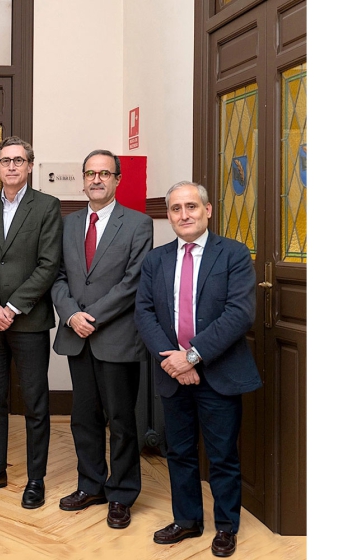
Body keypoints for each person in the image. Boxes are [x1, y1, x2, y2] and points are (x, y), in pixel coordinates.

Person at [135, 181, 262, 558]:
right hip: (172, 373)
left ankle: (226, 526)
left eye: (191, 207)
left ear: (208, 210)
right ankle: (187, 519)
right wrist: (172, 359)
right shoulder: (156, 259)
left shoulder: (234, 254)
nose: (184, 214)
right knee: (180, 451)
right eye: (176, 208)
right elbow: (144, 312)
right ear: (169, 215)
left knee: (222, 455)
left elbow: (239, 314)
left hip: (219, 372)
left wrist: (192, 357)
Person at [51, 150, 153, 528]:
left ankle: (122, 494)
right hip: (77, 335)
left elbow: (134, 282)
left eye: (104, 173)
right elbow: (58, 276)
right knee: (84, 417)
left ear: (117, 180)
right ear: (83, 179)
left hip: (116, 337)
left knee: (122, 421)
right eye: (90, 173)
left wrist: (91, 316)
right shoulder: (69, 223)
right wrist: (71, 314)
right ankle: (91, 483)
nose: (96, 179)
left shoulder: (139, 224)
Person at [0, 136, 62, 509]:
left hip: (29, 321)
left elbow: (48, 264)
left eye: (18, 161)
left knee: (36, 403)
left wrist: (13, 307)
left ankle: (35, 478)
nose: (11, 167)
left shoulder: (47, 206)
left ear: (30, 166)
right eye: (5, 161)